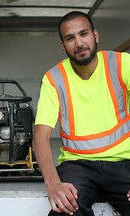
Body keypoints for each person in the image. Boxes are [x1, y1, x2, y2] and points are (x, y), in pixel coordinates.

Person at [33, 11, 130, 216]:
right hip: (77, 166)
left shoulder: (122, 64)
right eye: (70, 38)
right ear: (63, 46)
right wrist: (53, 184)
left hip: (124, 163)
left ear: (95, 36)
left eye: (83, 34)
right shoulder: (53, 78)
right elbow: (41, 136)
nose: (79, 43)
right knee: (64, 210)